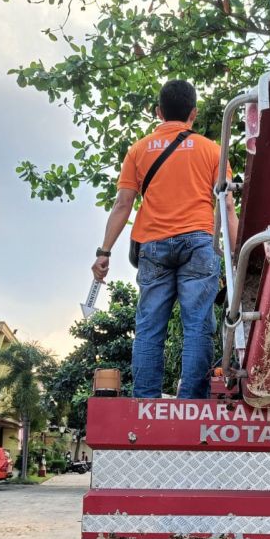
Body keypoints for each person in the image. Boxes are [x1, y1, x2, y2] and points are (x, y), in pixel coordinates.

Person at [91, 79, 237, 399]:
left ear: (159, 112)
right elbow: (226, 203)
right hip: (199, 241)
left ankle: (146, 400)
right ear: (193, 114)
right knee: (198, 325)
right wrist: (236, 254)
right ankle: (192, 402)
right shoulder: (213, 150)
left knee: (149, 327)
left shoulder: (139, 150)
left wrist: (104, 252)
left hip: (153, 245)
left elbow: (123, 204)